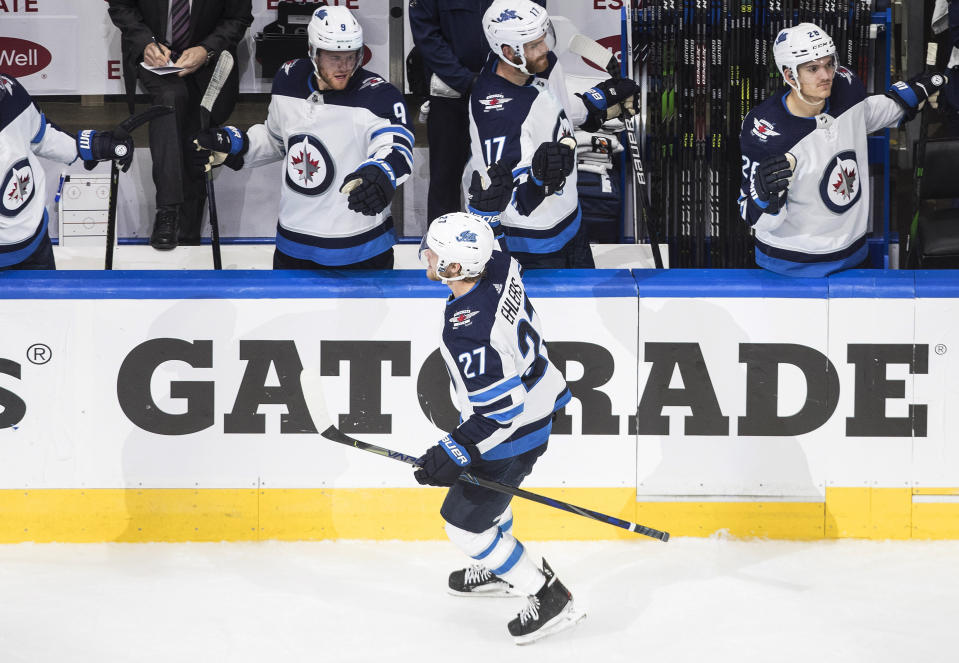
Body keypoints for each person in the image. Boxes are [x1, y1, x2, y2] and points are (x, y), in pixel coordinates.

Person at [413, 212, 584, 644]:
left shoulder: (469, 331)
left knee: (464, 527)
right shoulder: (501, 264)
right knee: (492, 503)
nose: (425, 254)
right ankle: (499, 570)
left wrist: (454, 450)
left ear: (455, 268)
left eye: (433, 251)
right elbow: (489, 237)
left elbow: (502, 411)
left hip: (515, 434)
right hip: (543, 395)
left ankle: (547, 595)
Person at [192, 6, 413, 270]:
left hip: (360, 248)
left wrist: (380, 173)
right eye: (334, 57)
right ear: (313, 51)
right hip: (292, 243)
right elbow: (277, 139)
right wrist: (236, 143)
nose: (345, 66)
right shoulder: (289, 78)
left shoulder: (379, 95)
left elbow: (396, 147)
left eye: (352, 56)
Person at [739, 22, 949, 277]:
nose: (826, 75)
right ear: (789, 75)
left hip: (853, 256)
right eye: (813, 68)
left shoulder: (845, 87)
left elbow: (865, 115)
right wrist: (764, 196)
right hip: (790, 266)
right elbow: (755, 217)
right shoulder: (767, 130)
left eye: (828, 64)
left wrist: (911, 94)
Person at [468, 0, 641, 268]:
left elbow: (552, 106)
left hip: (571, 223)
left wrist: (597, 106)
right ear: (507, 51)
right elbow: (505, 196)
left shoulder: (530, 66)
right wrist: (538, 180)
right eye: (535, 45)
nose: (545, 49)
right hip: (533, 245)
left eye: (543, 39)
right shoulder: (497, 113)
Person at [108, 0, 253, 250]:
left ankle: (187, 234)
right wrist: (145, 43)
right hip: (154, 60)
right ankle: (168, 210)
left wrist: (206, 49)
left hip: (206, 61)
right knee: (171, 98)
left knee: (195, 136)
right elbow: (121, 6)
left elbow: (237, 19)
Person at [408, 0, 545, 226]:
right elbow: (426, 35)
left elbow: (533, 24)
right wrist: (465, 81)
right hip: (451, 95)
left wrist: (503, 79)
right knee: (445, 179)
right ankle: (444, 251)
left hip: (509, 92)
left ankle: (507, 247)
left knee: (509, 171)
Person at [0, 74, 133, 270]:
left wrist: (87, 147)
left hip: (36, 241)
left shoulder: (7, 88)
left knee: (47, 302)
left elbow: (39, 134)